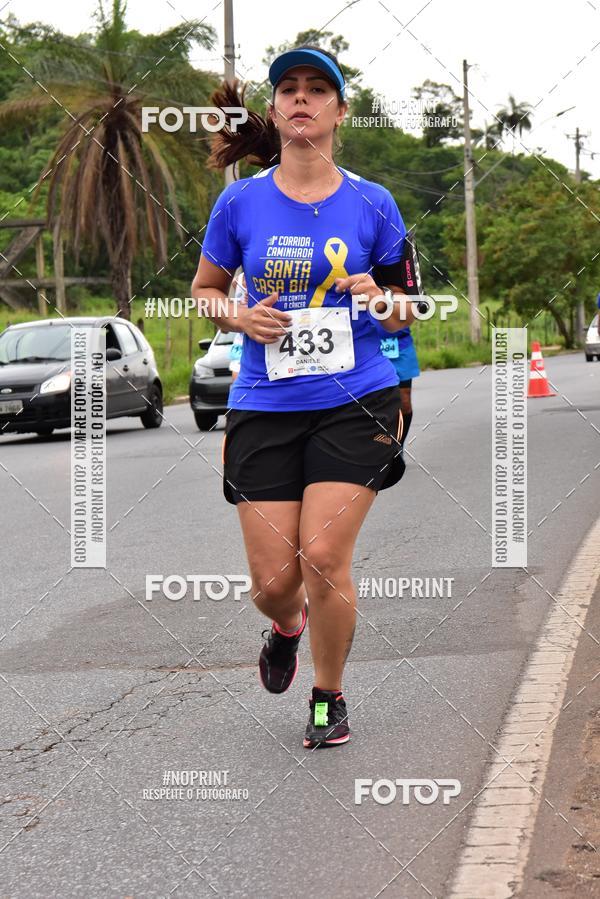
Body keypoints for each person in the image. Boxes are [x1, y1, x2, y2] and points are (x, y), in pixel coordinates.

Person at [191, 45, 422, 748]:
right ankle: (285, 627)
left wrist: (381, 298)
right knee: (273, 581)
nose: (301, 98)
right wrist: (236, 315)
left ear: (339, 111)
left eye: (317, 89)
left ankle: (329, 697)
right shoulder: (240, 201)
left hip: (357, 401)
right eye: (288, 88)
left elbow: (410, 308)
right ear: (273, 109)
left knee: (324, 557)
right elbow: (202, 292)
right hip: (264, 402)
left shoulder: (372, 202)